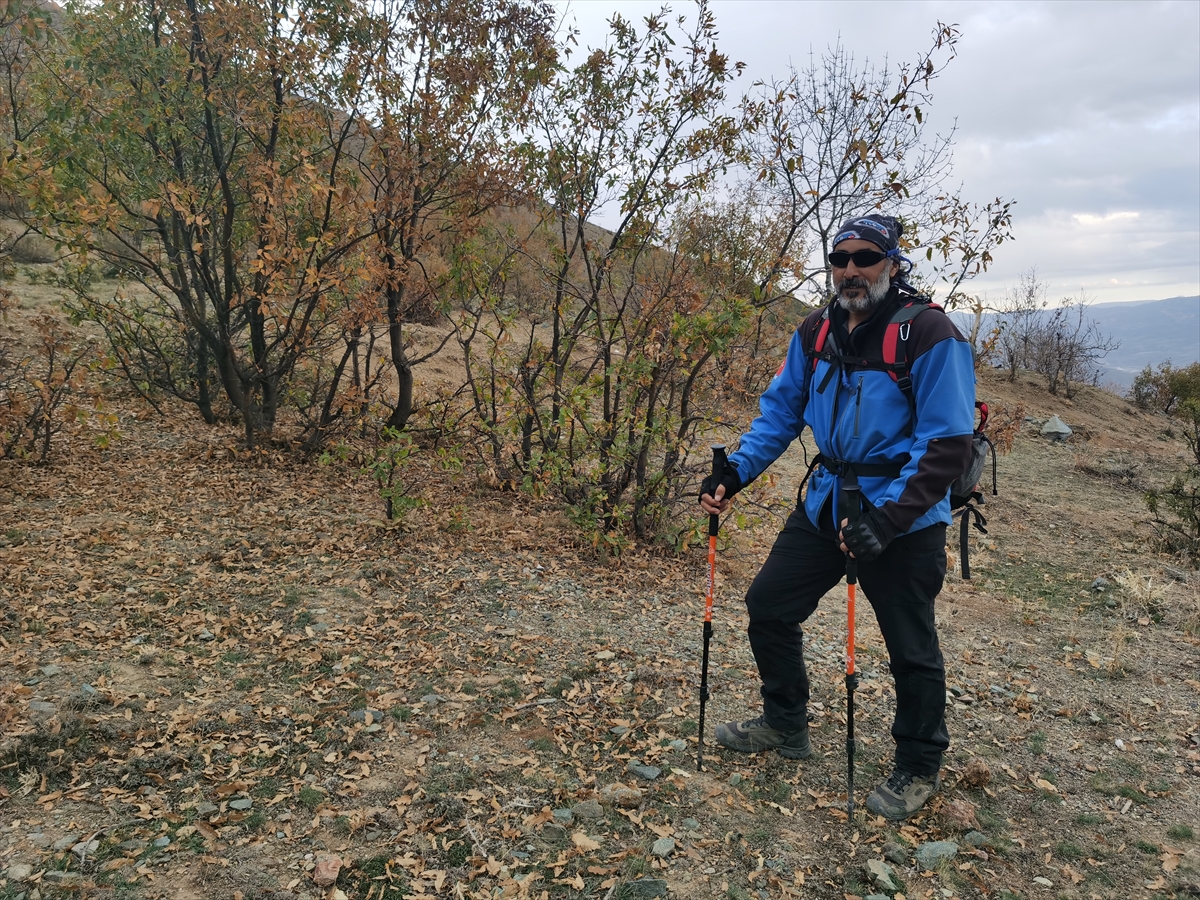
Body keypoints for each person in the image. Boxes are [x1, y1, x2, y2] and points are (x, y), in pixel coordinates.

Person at [698, 214, 975, 820]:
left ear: (892, 264)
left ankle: (920, 764)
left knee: (910, 645)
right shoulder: (816, 331)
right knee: (770, 604)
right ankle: (785, 723)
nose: (850, 269)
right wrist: (735, 472)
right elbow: (780, 412)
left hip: (902, 517)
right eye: (840, 257)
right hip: (826, 503)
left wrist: (889, 518)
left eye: (866, 257)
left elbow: (947, 442)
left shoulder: (930, 334)